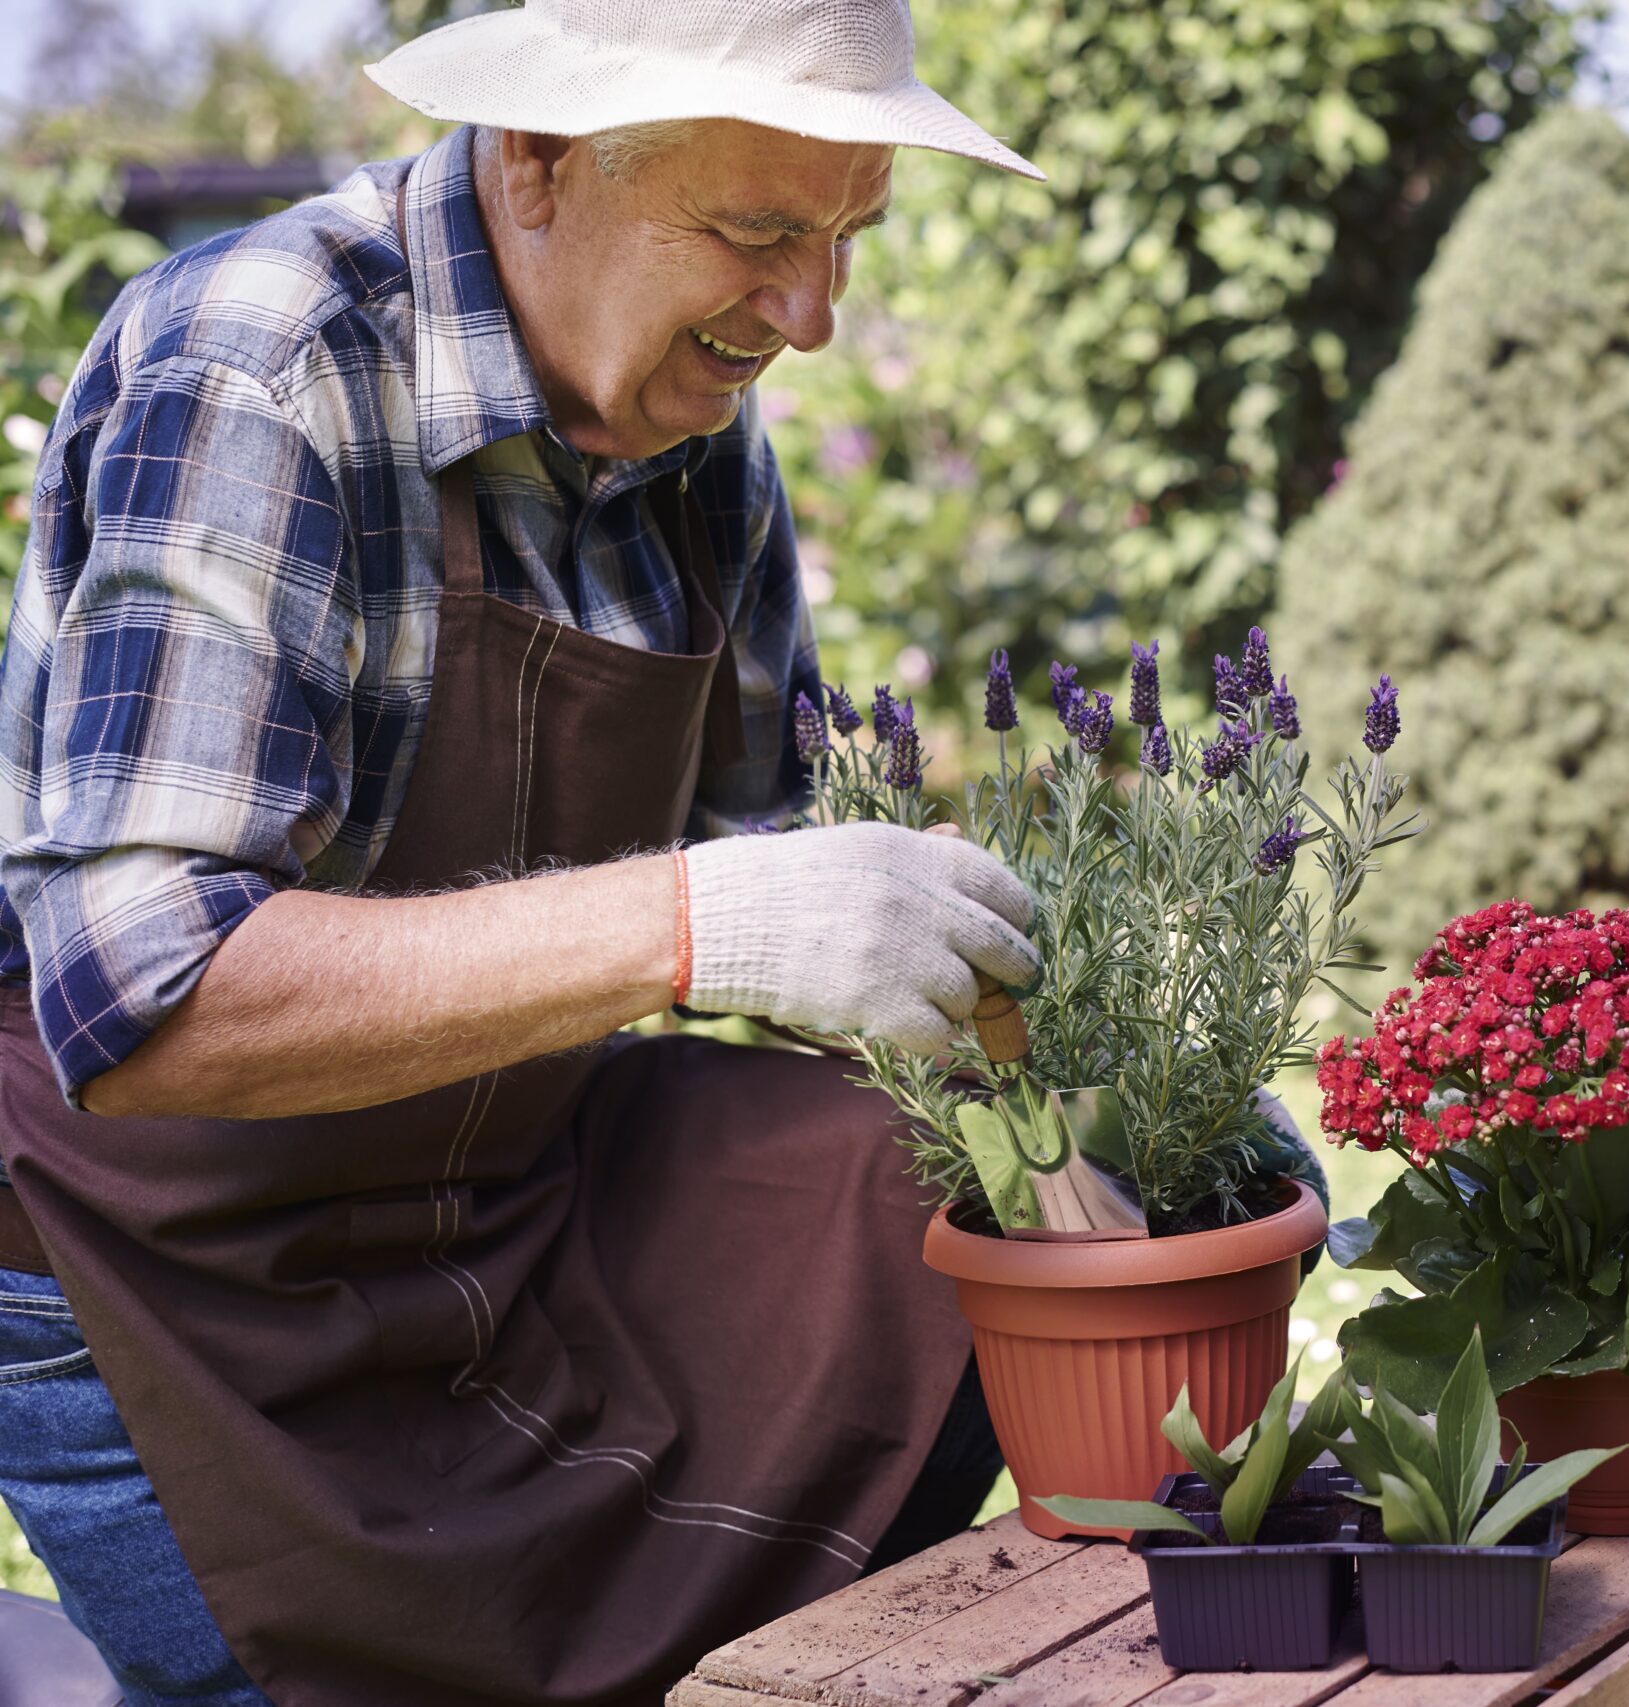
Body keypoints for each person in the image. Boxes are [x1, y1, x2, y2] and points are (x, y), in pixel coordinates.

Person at [0, 4, 1051, 1703]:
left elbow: (761, 869)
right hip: (167, 1273)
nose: (813, 320)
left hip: (498, 1203)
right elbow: (148, 1003)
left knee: (950, 1203)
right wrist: (707, 918)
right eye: (761, 233)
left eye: (846, 235)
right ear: (543, 161)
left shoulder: (693, 436)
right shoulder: (259, 364)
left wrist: (1057, 1037)